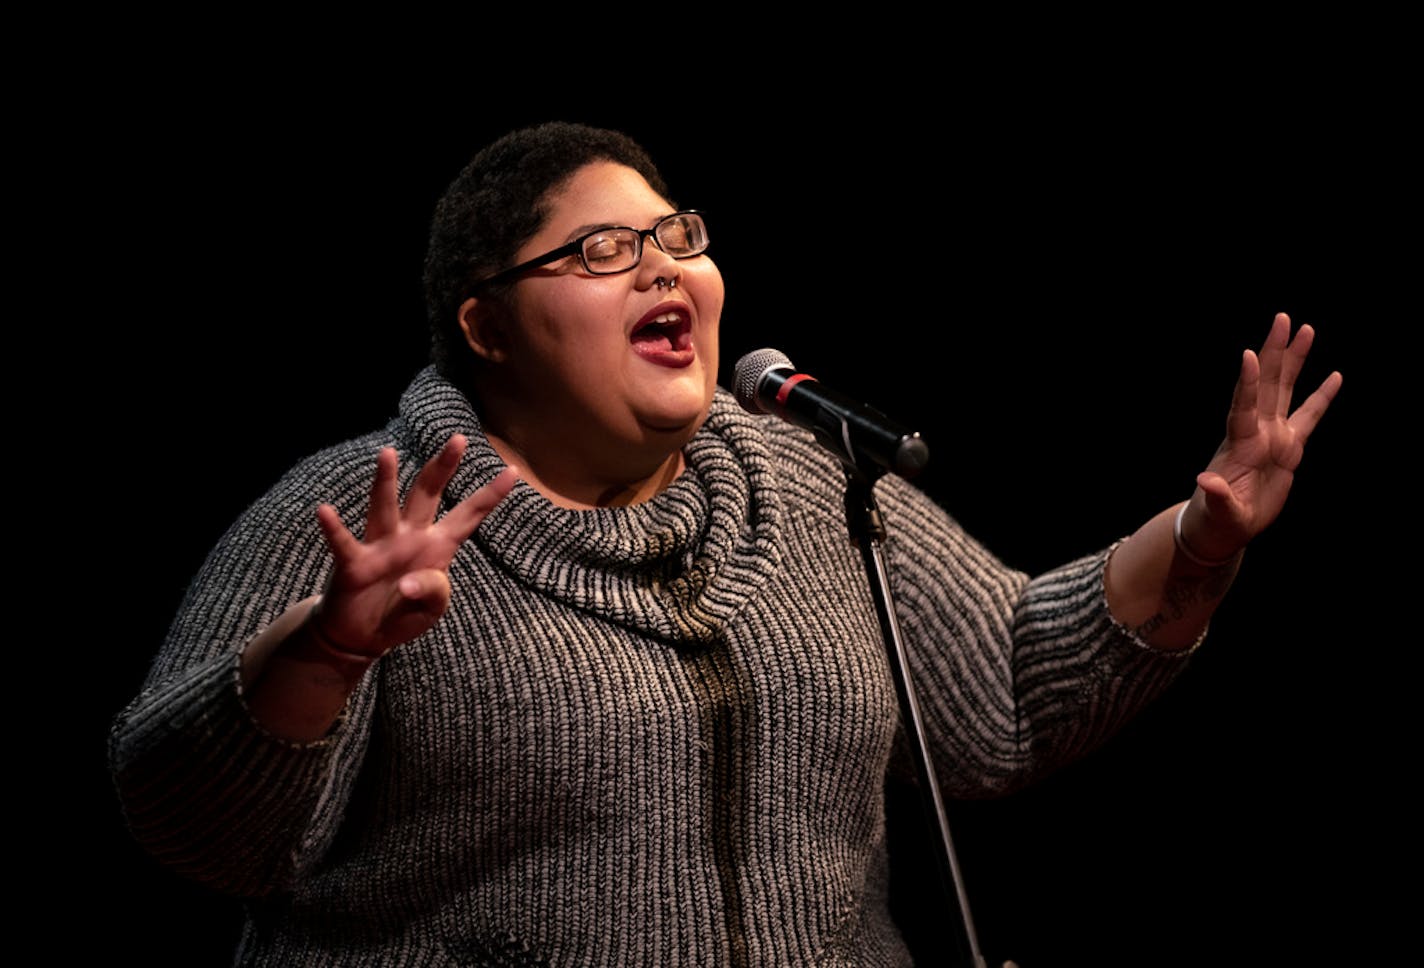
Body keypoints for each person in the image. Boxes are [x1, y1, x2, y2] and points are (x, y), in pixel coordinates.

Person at [108, 121, 1341, 967]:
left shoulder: (801, 482)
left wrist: (1192, 539)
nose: (663, 268)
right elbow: (202, 828)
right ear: (485, 324)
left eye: (676, 236)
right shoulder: (363, 511)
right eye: (602, 251)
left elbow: (1005, 685)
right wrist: (326, 645)